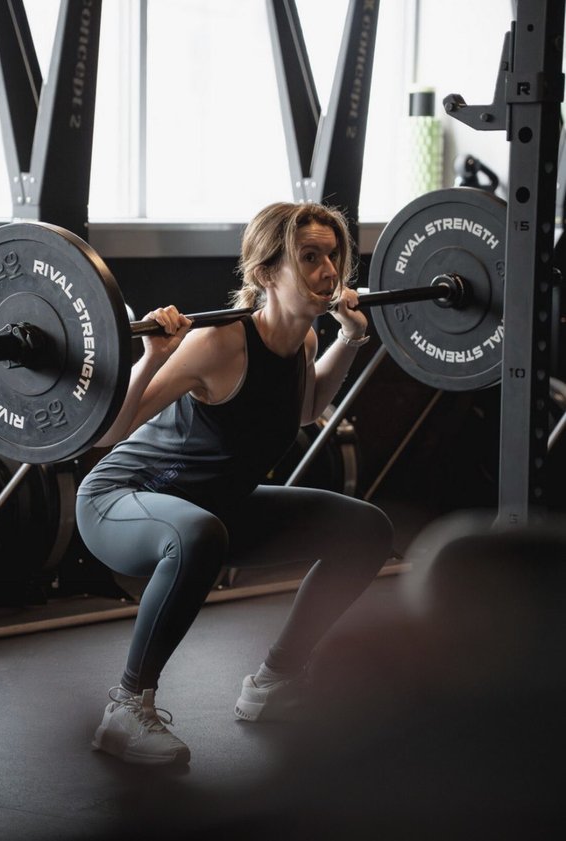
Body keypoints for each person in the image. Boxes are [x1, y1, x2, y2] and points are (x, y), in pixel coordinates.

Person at [75, 201, 394, 766]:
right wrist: (151, 356)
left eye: (334, 257)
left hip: (214, 510)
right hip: (120, 500)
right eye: (310, 258)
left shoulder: (306, 342)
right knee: (198, 533)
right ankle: (125, 707)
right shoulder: (219, 343)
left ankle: (273, 683)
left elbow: (303, 410)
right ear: (266, 273)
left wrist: (350, 338)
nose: (328, 273)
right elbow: (109, 432)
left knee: (364, 529)